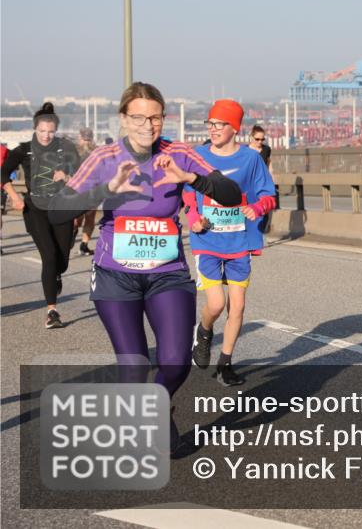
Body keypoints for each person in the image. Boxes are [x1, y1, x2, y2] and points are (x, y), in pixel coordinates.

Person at [48, 83, 241, 449]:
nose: (147, 125)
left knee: (175, 363)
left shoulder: (178, 152)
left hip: (167, 274)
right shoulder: (105, 157)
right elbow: (58, 211)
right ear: (124, 119)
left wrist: (192, 179)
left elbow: (231, 195)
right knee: (134, 366)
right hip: (114, 275)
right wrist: (107, 189)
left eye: (154, 117)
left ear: (163, 119)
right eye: (138, 117)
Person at [184, 101, 276, 386]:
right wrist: (194, 217)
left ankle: (225, 364)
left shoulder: (251, 159)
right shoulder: (198, 156)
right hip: (207, 240)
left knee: (237, 307)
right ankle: (205, 330)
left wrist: (258, 208)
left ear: (234, 128)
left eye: (219, 124)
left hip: (239, 242)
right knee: (215, 303)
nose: (213, 129)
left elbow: (268, 194)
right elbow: (187, 192)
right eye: (210, 124)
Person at [1, 103, 81, 328]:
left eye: (51, 131)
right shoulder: (23, 149)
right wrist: (14, 196)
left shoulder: (66, 148)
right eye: (42, 131)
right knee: (49, 256)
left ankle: (56, 274)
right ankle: (52, 312)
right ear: (35, 128)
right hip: (34, 209)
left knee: (61, 262)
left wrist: (65, 176)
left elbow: (82, 176)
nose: (46, 136)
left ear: (56, 130)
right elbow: (3, 173)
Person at [75, 127, 98, 256]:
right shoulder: (97, 151)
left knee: (80, 218)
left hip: (79, 189)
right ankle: (83, 245)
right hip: (90, 189)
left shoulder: (75, 151)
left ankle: (78, 242)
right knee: (88, 218)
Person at [247, 124, 275, 232]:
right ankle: (252, 233)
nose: (260, 142)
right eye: (257, 139)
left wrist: (272, 182)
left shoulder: (266, 149)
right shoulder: (245, 150)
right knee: (251, 209)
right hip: (249, 186)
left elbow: (269, 166)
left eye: (262, 139)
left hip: (262, 184)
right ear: (251, 137)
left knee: (264, 209)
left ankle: (261, 231)